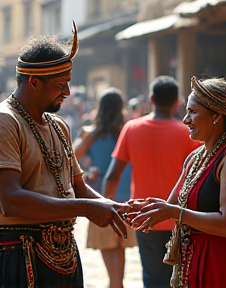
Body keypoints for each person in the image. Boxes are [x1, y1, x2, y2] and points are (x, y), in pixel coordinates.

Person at [128, 45, 226, 288]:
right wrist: (139, 207)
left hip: (224, 262)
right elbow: (172, 205)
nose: (185, 119)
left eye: (192, 112)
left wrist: (173, 213)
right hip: (195, 259)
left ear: (216, 115)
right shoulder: (196, 156)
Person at [0, 21, 129, 288]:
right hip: (19, 252)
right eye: (61, 84)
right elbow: (11, 200)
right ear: (34, 82)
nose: (68, 93)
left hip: (64, 252)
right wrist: (85, 208)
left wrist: (112, 207)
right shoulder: (5, 121)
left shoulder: (59, 126)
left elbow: (77, 186)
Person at [102, 75, 201, 288]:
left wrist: (106, 206)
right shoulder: (188, 133)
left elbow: (112, 175)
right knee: (180, 276)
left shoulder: (132, 128)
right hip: (179, 216)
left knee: (151, 276)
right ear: (177, 102)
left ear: (152, 99)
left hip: (144, 216)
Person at [74, 87, 137, 288]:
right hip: (127, 194)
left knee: (108, 247)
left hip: (101, 195)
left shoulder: (92, 133)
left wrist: (90, 169)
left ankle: (116, 284)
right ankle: (118, 283)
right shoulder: (127, 131)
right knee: (120, 246)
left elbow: (72, 157)